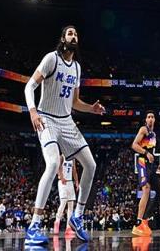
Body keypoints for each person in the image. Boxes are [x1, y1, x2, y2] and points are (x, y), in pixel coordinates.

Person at [24, 25, 105, 245]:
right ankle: (34, 225)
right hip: (46, 118)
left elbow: (75, 102)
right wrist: (32, 111)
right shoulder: (51, 59)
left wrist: (92, 109)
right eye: (70, 33)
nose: (74, 36)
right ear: (63, 39)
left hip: (66, 120)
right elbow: (29, 86)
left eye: (76, 34)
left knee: (91, 165)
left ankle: (77, 216)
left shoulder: (77, 68)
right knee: (52, 164)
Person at [131, 112, 160, 236]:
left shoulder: (154, 134)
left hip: (151, 165)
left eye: (152, 117)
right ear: (146, 120)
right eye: (148, 117)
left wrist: (158, 165)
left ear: (155, 120)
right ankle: (139, 222)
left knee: (159, 192)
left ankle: (145, 218)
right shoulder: (143, 129)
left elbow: (152, 152)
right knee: (146, 189)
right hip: (142, 162)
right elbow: (134, 145)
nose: (150, 119)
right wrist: (146, 153)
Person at [54, 154, 78, 236]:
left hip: (70, 182)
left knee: (71, 206)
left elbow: (74, 170)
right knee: (63, 202)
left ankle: (68, 227)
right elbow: (58, 168)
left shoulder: (73, 158)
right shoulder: (62, 156)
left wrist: (77, 182)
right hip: (62, 182)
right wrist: (61, 177)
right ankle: (57, 221)